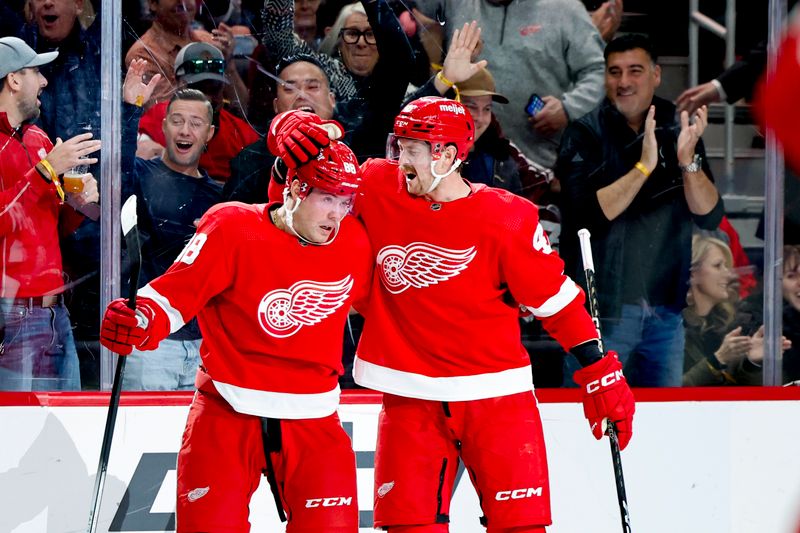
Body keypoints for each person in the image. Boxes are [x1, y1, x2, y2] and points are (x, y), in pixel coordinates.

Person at [269, 97, 635, 531]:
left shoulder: (507, 217)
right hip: (410, 399)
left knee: (521, 527)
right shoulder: (374, 186)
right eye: (398, 146)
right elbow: (297, 211)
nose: (400, 159)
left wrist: (600, 373)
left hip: (497, 400)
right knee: (409, 526)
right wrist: (289, 141)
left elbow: (556, 303)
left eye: (411, 150)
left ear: (445, 154)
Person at [99, 102, 373, 529]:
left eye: (345, 200)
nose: (338, 214)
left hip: (315, 418)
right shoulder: (233, 228)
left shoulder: (354, 242)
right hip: (226, 409)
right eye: (327, 198)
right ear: (296, 190)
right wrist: (140, 320)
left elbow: (388, 303)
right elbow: (176, 293)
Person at [557, 33, 724, 387]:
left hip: (666, 309)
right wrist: (644, 167)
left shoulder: (679, 126)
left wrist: (687, 163)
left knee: (666, 423)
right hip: (602, 310)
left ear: (657, 74)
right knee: (590, 417)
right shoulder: (582, 132)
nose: (624, 82)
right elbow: (586, 215)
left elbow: (708, 214)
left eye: (635, 71)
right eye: (614, 72)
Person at [0, 36, 100, 390]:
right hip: (11, 312)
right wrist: (44, 172)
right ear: (13, 79)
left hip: (55, 311)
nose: (44, 81)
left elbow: (50, 224)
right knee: (15, 434)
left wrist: (79, 202)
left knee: (67, 425)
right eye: (36, 72)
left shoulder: (38, 138)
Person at [118, 62, 224, 391]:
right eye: (177, 121)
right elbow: (115, 171)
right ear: (163, 126)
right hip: (151, 341)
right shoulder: (139, 174)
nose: (185, 131)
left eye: (195, 123)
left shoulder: (219, 200)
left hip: (202, 344)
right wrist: (129, 110)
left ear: (209, 133)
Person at [414, 0, 607, 172]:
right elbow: (402, 6)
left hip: (541, 164)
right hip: (462, 162)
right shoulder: (455, 3)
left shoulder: (565, 8)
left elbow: (600, 70)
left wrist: (569, 108)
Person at [402, 22, 553, 202]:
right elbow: (401, 123)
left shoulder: (501, 160)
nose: (480, 118)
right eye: (470, 106)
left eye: (487, 108)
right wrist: (445, 79)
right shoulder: (418, 153)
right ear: (450, 104)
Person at [134, 42, 260, 182]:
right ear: (176, 83)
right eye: (197, 89)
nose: (206, 98)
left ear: (223, 86)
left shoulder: (242, 134)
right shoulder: (156, 119)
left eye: (213, 88)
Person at [125, 0, 248, 111]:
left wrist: (228, 63)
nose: (182, 1)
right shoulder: (143, 54)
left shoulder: (207, 40)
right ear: (153, 3)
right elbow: (166, 119)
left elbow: (242, 110)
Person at [682, 235, 762, 386]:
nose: (729, 274)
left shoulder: (733, 324)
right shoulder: (670, 330)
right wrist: (717, 360)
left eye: (727, 266)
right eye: (718, 266)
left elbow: (745, 394)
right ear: (693, 273)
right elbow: (668, 394)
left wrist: (752, 363)